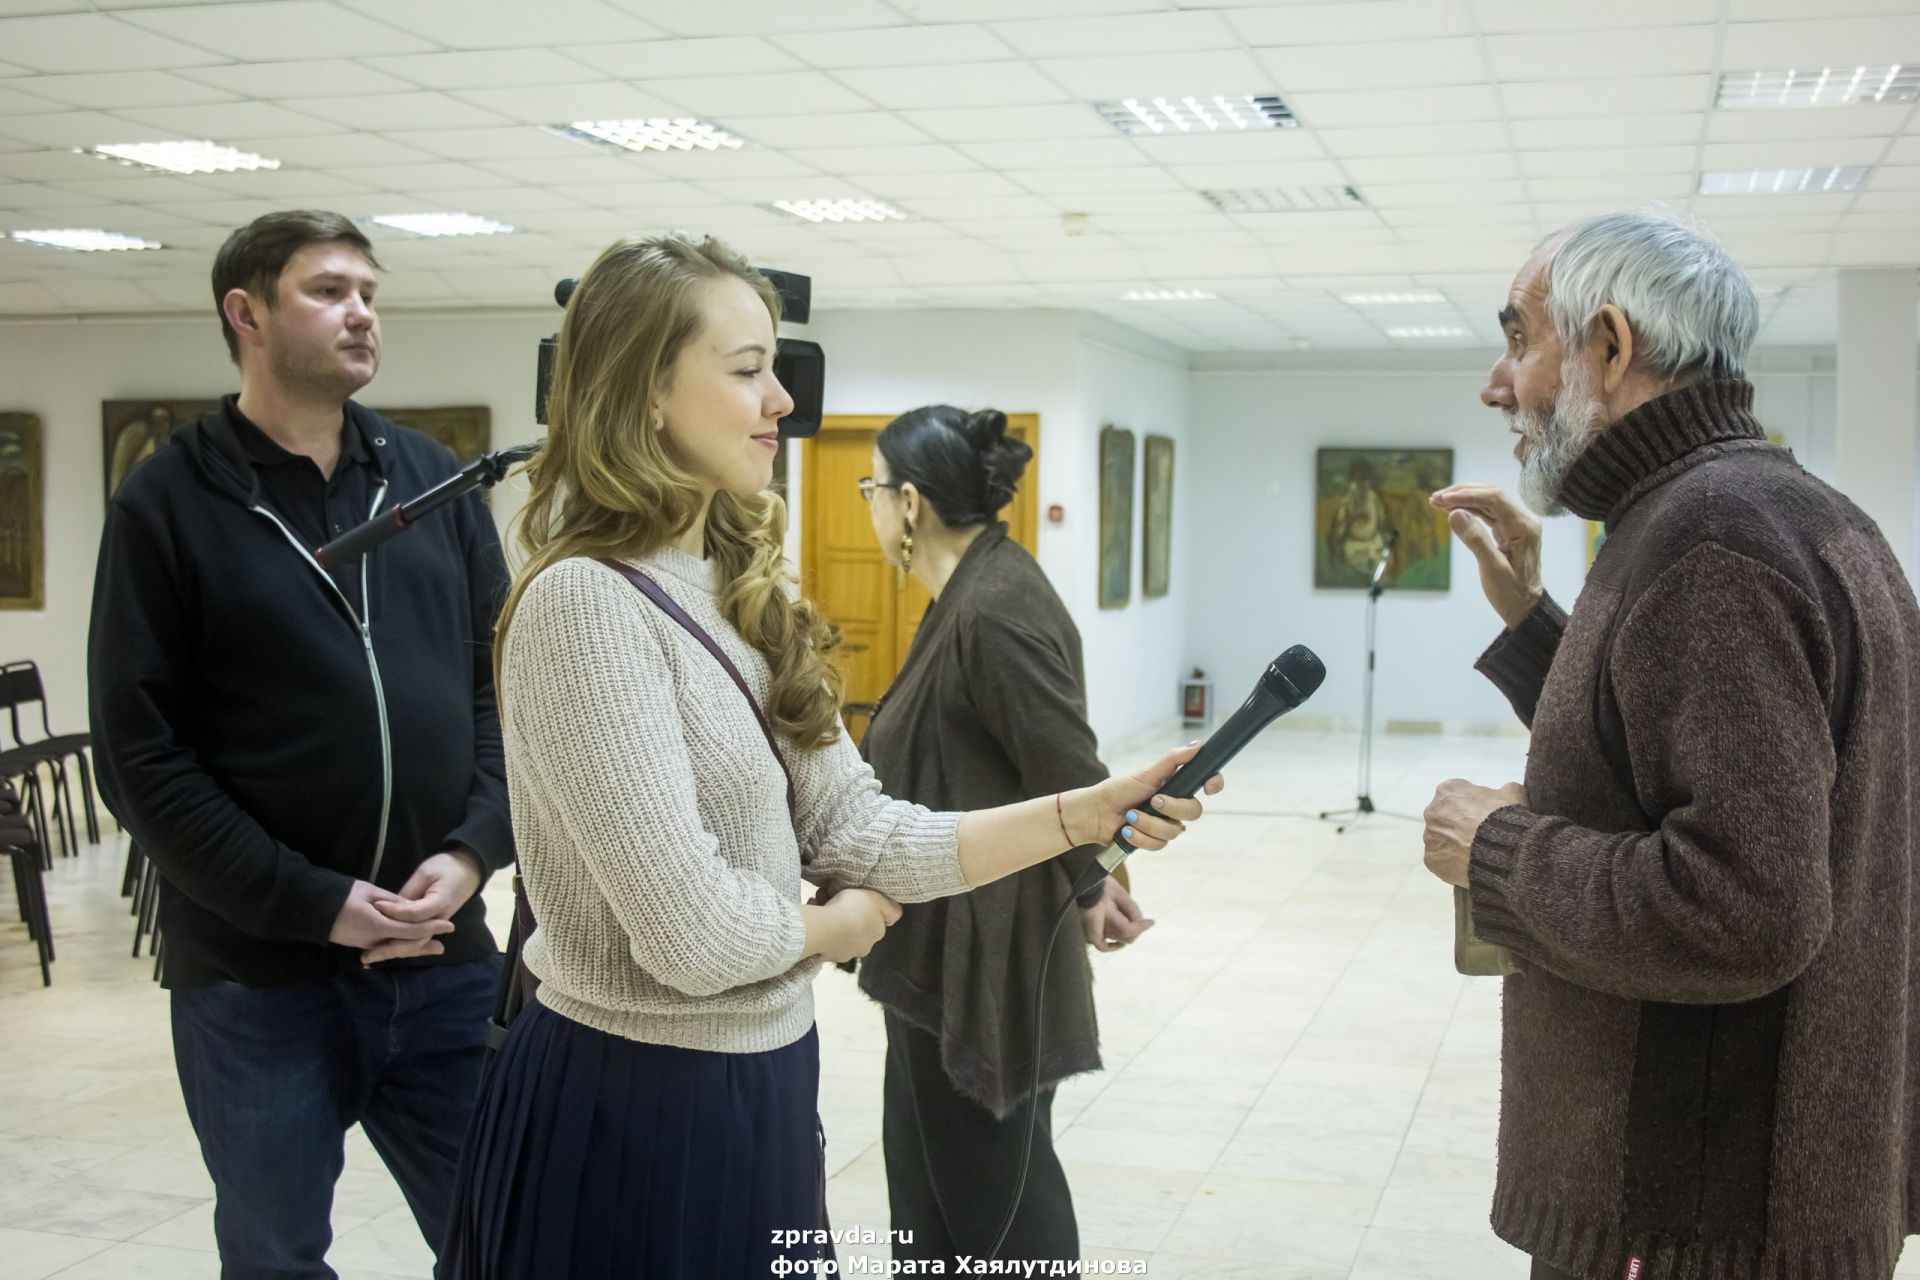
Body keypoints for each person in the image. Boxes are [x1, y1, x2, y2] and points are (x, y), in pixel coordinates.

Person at [437, 235, 1218, 1280]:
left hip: (760, 1071)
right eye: (748, 369)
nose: (780, 404)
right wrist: (838, 922)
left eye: (777, 370)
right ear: (643, 392)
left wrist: (1082, 813)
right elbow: (691, 932)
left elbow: (862, 824)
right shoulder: (584, 602)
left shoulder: (727, 582)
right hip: (635, 1095)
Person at [1419, 209, 1920, 1280]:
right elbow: (1698, 750)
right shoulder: (1772, 509)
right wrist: (1532, 621)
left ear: (1608, 343)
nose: (1496, 384)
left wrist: (1496, 846)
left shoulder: (1709, 538)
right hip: (1750, 1181)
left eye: (1520, 338)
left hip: (1695, 1207)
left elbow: (1743, 903)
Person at [88, 209, 513, 1280]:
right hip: (258, 970)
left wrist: (469, 852)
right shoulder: (167, 502)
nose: (362, 312)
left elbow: (503, 698)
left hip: (443, 953)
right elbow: (142, 756)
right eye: (329, 290)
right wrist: (314, 899)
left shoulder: (431, 478)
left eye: (369, 291)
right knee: (277, 1253)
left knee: (509, 1230)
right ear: (246, 313)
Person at [854, 403, 1148, 1268]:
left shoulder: (990, 609)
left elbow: (1071, 770)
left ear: (910, 504)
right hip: (946, 932)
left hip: (984, 951)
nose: (870, 506)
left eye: (871, 488)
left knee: (998, 1211)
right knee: (932, 1196)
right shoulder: (976, 589)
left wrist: (1097, 886)